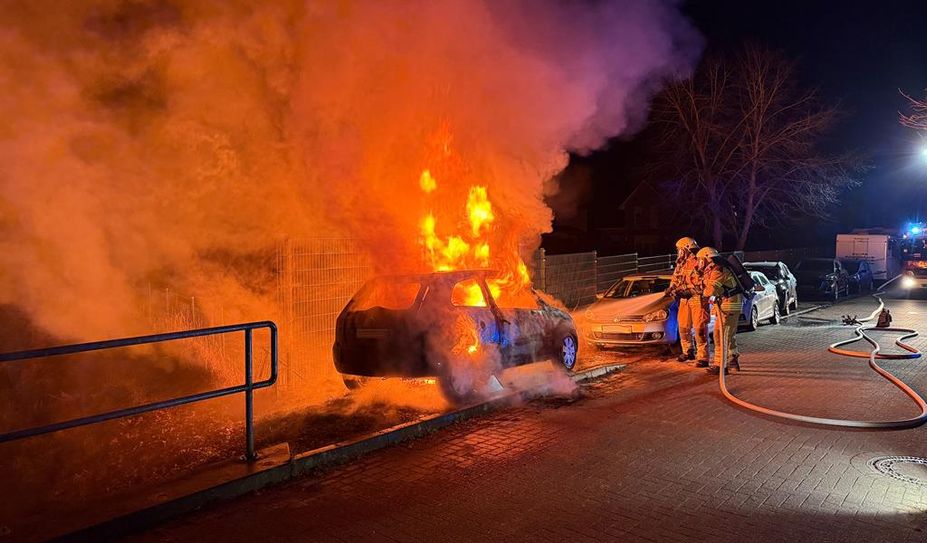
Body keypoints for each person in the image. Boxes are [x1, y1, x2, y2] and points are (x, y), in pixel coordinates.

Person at [698, 247, 741, 375]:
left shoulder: (718, 270)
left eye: (701, 259)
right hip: (728, 304)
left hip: (729, 306)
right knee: (727, 334)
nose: (699, 262)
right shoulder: (715, 269)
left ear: (707, 258)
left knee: (720, 335)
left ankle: (721, 365)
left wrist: (701, 290)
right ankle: (732, 359)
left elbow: (710, 291)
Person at [668, 237, 709, 367]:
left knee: (699, 329)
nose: (678, 252)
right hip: (685, 299)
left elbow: (704, 282)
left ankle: (703, 357)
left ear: (685, 249)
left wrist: (690, 291)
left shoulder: (699, 261)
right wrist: (671, 288)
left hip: (698, 299)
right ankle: (688, 351)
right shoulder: (681, 264)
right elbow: (676, 279)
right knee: (683, 326)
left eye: (679, 249)